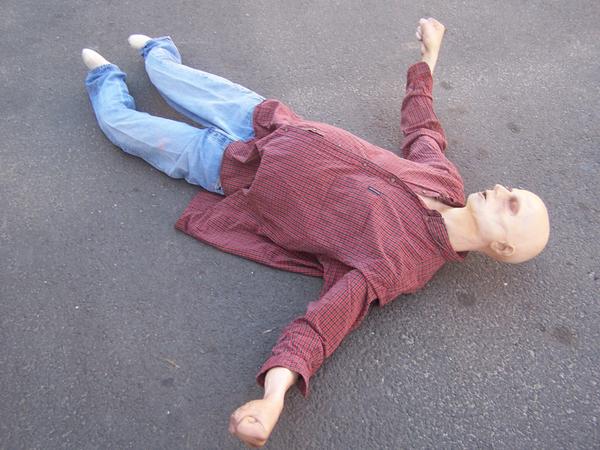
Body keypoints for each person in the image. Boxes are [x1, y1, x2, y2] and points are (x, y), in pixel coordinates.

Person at [82, 17, 549, 447]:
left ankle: (105, 80)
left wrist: (272, 398)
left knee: (121, 125)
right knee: (171, 77)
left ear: (502, 246)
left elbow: (322, 327)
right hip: (267, 121)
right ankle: (156, 53)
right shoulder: (445, 180)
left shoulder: (399, 264)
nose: (501, 190)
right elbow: (422, 127)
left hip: (230, 169)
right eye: (512, 191)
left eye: (511, 205)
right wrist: (430, 56)